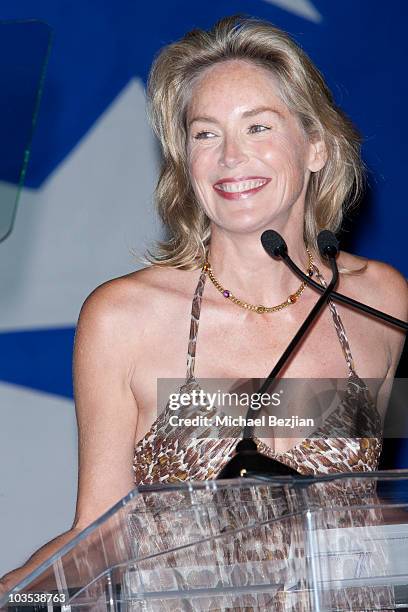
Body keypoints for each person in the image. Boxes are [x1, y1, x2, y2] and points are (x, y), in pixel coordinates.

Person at [1, 14, 407, 597]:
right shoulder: (126, 318)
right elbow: (100, 532)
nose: (231, 158)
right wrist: (20, 595)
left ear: (317, 146)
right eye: (206, 133)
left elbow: (363, 504)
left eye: (259, 127)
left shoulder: (380, 301)